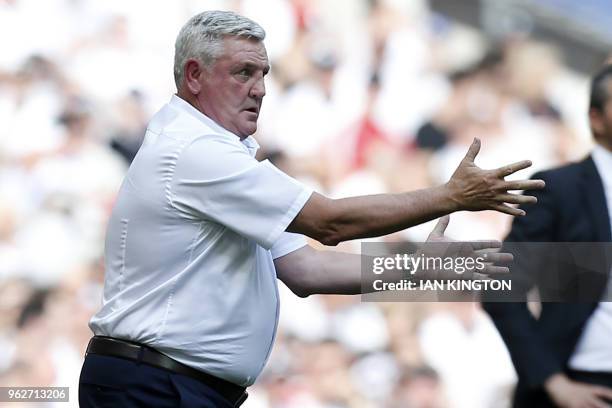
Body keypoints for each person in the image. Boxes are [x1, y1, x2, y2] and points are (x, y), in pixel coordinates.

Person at [78, 10, 544, 407]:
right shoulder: (196, 151)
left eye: (263, 74)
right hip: (154, 385)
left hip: (171, 385)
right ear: (195, 75)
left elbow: (306, 270)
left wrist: (416, 269)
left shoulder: (219, 154)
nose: (260, 89)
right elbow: (329, 222)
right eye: (243, 72)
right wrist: (450, 197)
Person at [483, 64, 612, 408]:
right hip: (577, 381)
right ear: (596, 118)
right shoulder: (559, 190)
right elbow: (501, 288)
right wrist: (552, 380)